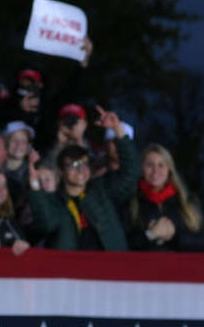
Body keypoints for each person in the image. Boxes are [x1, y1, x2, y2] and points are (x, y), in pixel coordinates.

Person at [27, 107, 137, 251]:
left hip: (110, 269)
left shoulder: (103, 192)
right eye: (73, 164)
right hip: (69, 271)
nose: (80, 169)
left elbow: (131, 171)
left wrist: (118, 129)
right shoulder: (55, 202)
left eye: (84, 164)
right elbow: (46, 223)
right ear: (61, 170)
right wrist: (35, 185)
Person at [127, 143, 204, 252]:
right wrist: (150, 234)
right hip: (144, 267)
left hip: (182, 267)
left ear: (169, 169)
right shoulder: (131, 202)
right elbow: (124, 244)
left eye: (161, 165)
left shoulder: (187, 200)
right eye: (149, 165)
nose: (155, 170)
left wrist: (174, 236)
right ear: (142, 168)